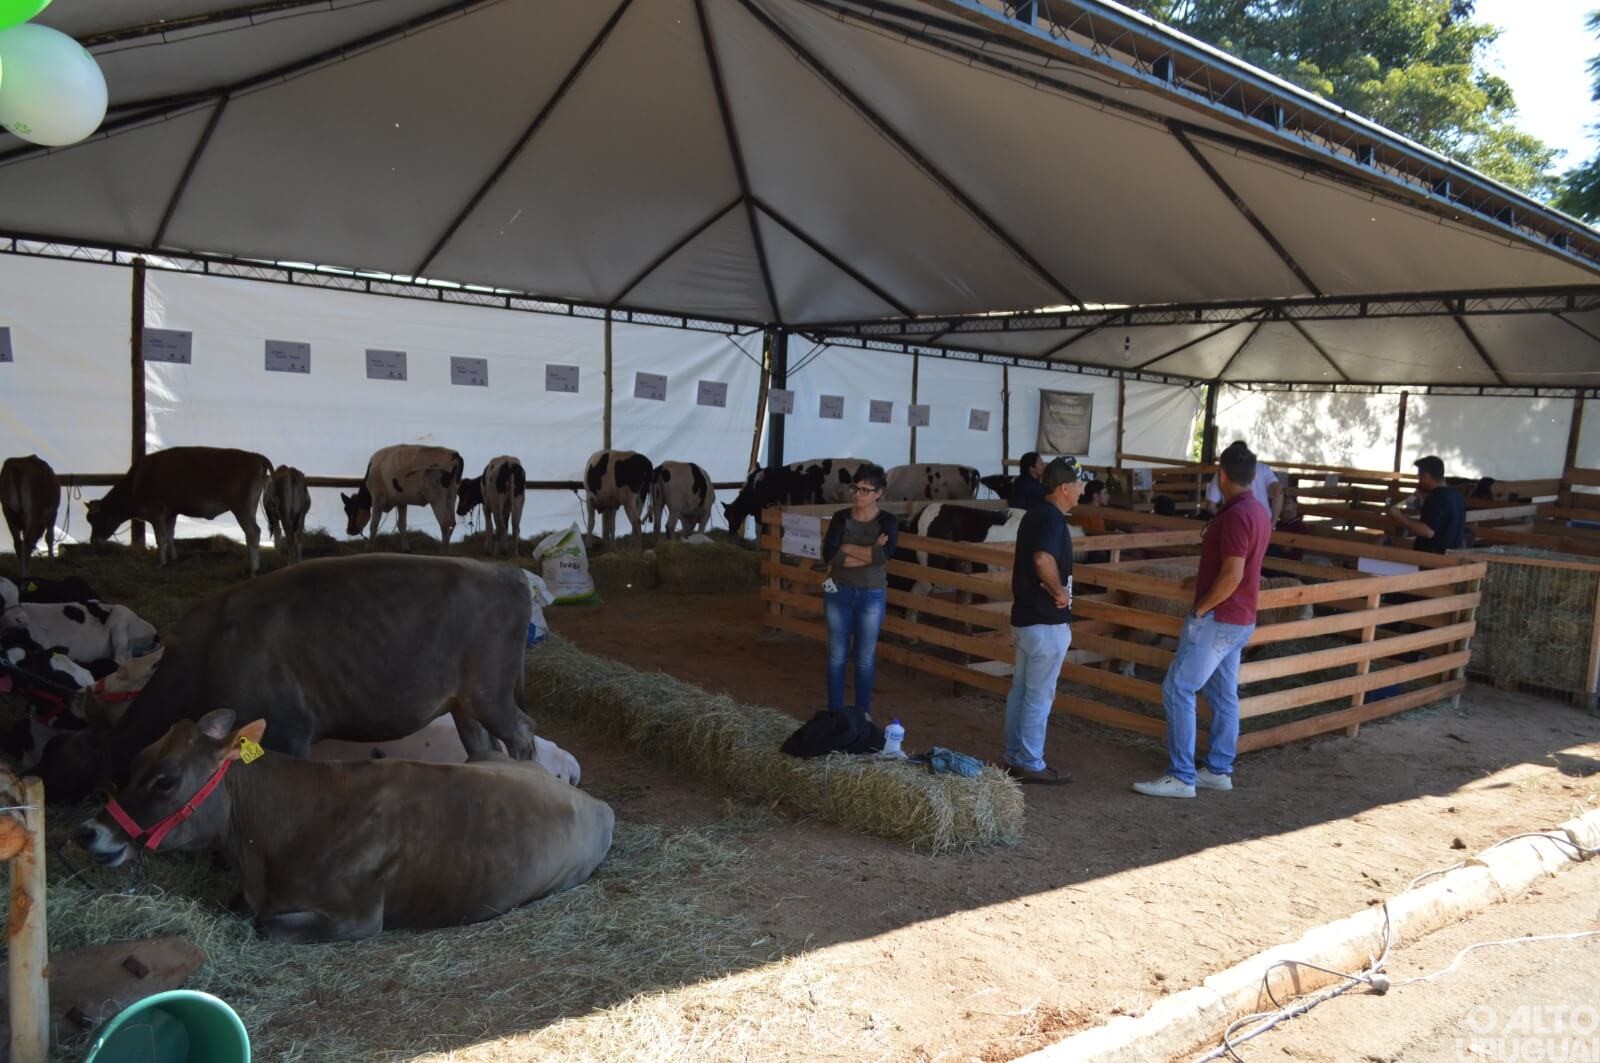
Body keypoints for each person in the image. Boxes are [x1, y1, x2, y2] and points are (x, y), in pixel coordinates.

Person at [1134, 444, 1271, 799]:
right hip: (1241, 618)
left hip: (1220, 617)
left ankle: (1182, 774)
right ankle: (1217, 769)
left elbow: (1231, 575)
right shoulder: (1257, 512)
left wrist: (1200, 610)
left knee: (1178, 688)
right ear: (1254, 476)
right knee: (1224, 693)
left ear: (1221, 475)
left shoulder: (1237, 516)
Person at [1003, 456, 1092, 784]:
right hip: (1045, 622)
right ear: (1065, 488)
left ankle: (1015, 754)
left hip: (1026, 620)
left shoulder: (1034, 515)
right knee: (1039, 694)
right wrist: (1060, 593)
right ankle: (1030, 760)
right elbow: (1042, 559)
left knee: (1021, 690)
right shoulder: (1052, 520)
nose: (1083, 491)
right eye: (1080, 485)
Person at [820, 463, 898, 719]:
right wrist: (870, 552)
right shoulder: (841, 517)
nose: (858, 494)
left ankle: (862, 712)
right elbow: (830, 555)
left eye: (865, 490)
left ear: (879, 493)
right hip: (839, 591)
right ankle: (836, 711)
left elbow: (884, 555)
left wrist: (847, 548)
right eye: (856, 488)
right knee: (836, 654)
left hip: (871, 594)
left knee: (865, 656)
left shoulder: (888, 521)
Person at [1386, 456, 1466, 554]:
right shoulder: (1457, 495)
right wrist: (1423, 507)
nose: (1418, 480)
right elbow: (1442, 522)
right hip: (1449, 558)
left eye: (1419, 476)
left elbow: (1428, 531)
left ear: (1426, 476)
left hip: (1431, 560)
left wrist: (1399, 517)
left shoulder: (1436, 497)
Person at [1202, 440, 1282, 523]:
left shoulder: (1224, 471)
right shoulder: (1262, 468)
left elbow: (1210, 505)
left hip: (1236, 520)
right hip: (1263, 520)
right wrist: (1273, 523)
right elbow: (1279, 492)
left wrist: (1224, 519)